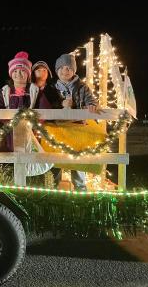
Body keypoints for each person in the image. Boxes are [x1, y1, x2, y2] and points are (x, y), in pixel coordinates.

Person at [52, 53, 99, 191]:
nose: (65, 71)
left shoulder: (82, 87)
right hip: (59, 129)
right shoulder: (53, 88)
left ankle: (80, 189)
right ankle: (53, 189)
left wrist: (90, 106)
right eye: (61, 68)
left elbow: (92, 101)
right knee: (56, 160)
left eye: (68, 68)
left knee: (78, 161)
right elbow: (49, 105)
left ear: (74, 71)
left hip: (78, 129)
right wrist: (62, 104)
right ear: (56, 70)